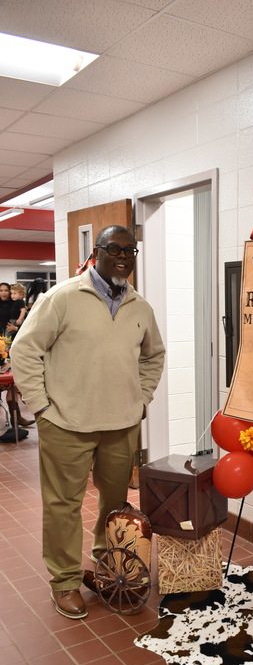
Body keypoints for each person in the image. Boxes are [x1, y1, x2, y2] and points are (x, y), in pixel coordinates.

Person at [11, 226, 165, 620]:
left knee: (115, 506)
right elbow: (25, 350)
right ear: (95, 252)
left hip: (121, 424)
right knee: (63, 504)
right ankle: (64, 582)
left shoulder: (140, 307)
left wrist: (142, 397)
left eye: (130, 250)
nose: (123, 256)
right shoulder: (62, 298)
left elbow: (154, 356)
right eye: (114, 249)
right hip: (65, 423)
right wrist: (41, 407)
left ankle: (106, 566)